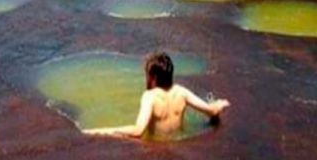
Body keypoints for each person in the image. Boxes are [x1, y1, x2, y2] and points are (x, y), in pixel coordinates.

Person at [90, 52, 229, 139]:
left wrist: (99, 131)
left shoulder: (149, 97)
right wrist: (220, 104)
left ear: (153, 78)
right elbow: (211, 111)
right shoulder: (182, 92)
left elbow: (138, 131)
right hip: (178, 143)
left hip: (155, 149)